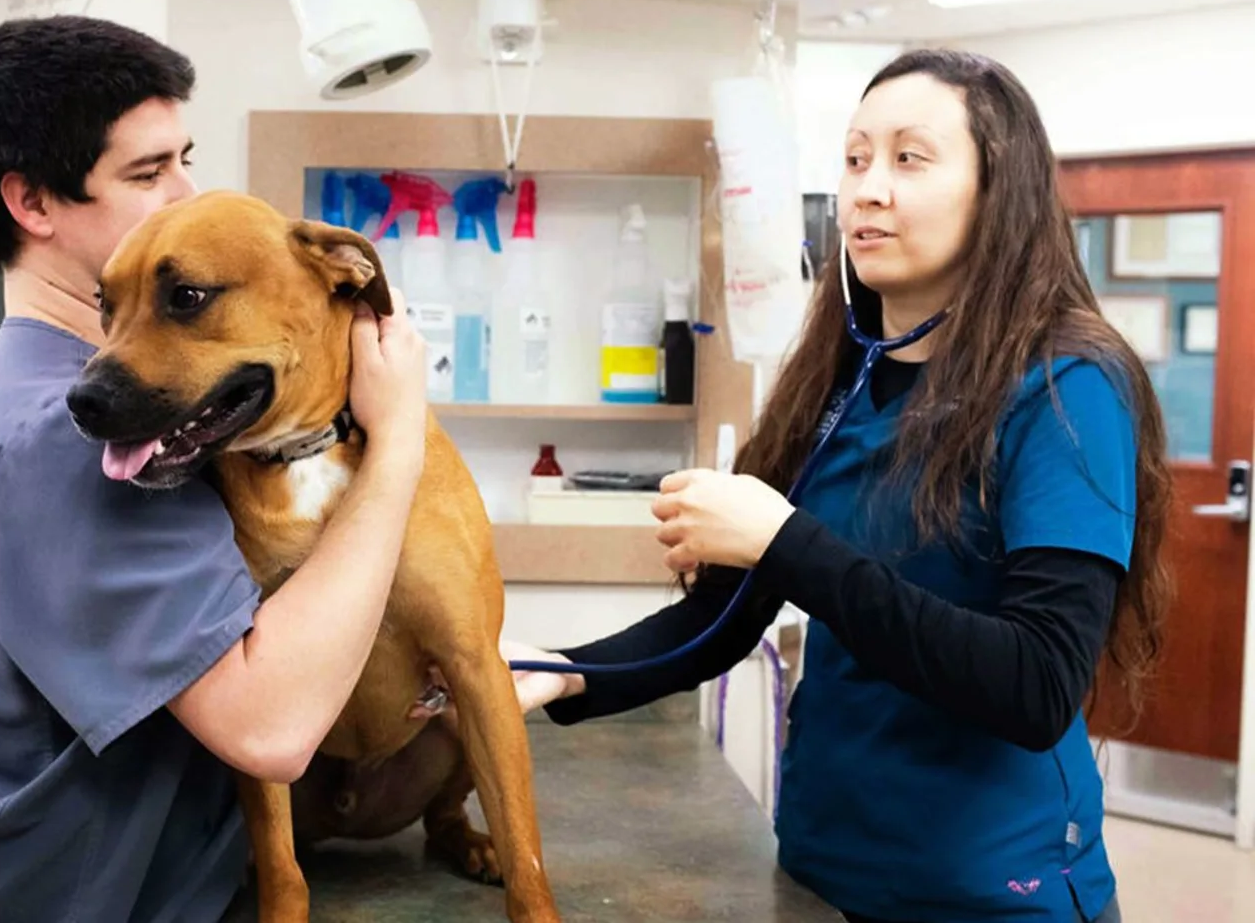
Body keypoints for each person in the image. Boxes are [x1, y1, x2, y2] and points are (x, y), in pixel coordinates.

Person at [499, 49, 1167, 923]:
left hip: (995, 891)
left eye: (909, 159)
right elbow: (722, 616)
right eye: (855, 159)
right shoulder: (838, 378)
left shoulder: (1066, 389)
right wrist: (561, 673)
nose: (867, 191)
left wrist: (786, 542)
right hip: (824, 870)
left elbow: (1036, 684)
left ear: (998, 191)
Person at [0, 16, 427, 922]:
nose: (185, 194)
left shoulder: (126, 405)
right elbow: (270, 728)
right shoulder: (69, 435)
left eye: (184, 160)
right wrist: (399, 436)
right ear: (33, 203)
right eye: (147, 172)